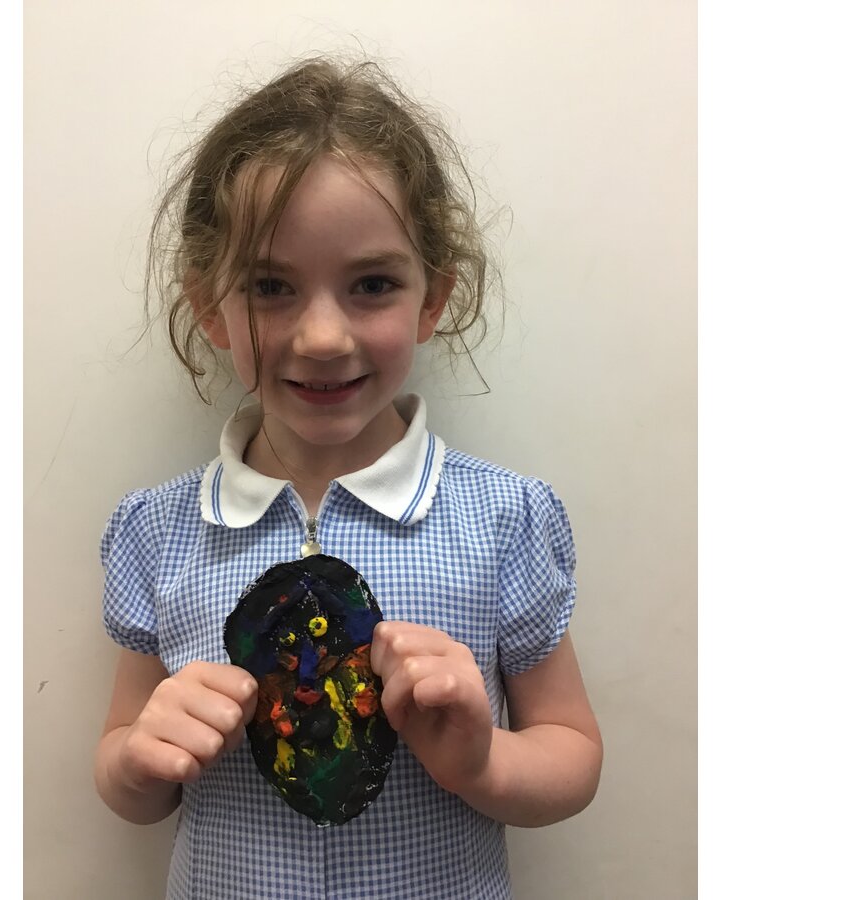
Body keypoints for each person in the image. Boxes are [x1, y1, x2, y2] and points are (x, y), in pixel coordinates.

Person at [94, 55, 603, 899]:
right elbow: (122, 763)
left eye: (371, 284)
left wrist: (483, 762)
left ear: (432, 298)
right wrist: (138, 762)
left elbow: (573, 751)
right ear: (210, 308)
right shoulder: (159, 532)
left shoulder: (501, 518)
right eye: (271, 286)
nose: (324, 337)